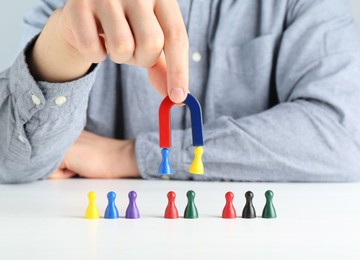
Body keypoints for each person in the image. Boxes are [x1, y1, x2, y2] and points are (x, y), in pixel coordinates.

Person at [1, 0, 360, 184]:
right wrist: (66, 43)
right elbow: (10, 161)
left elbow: (342, 138)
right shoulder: (74, 4)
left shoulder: (306, 7)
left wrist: (130, 156)